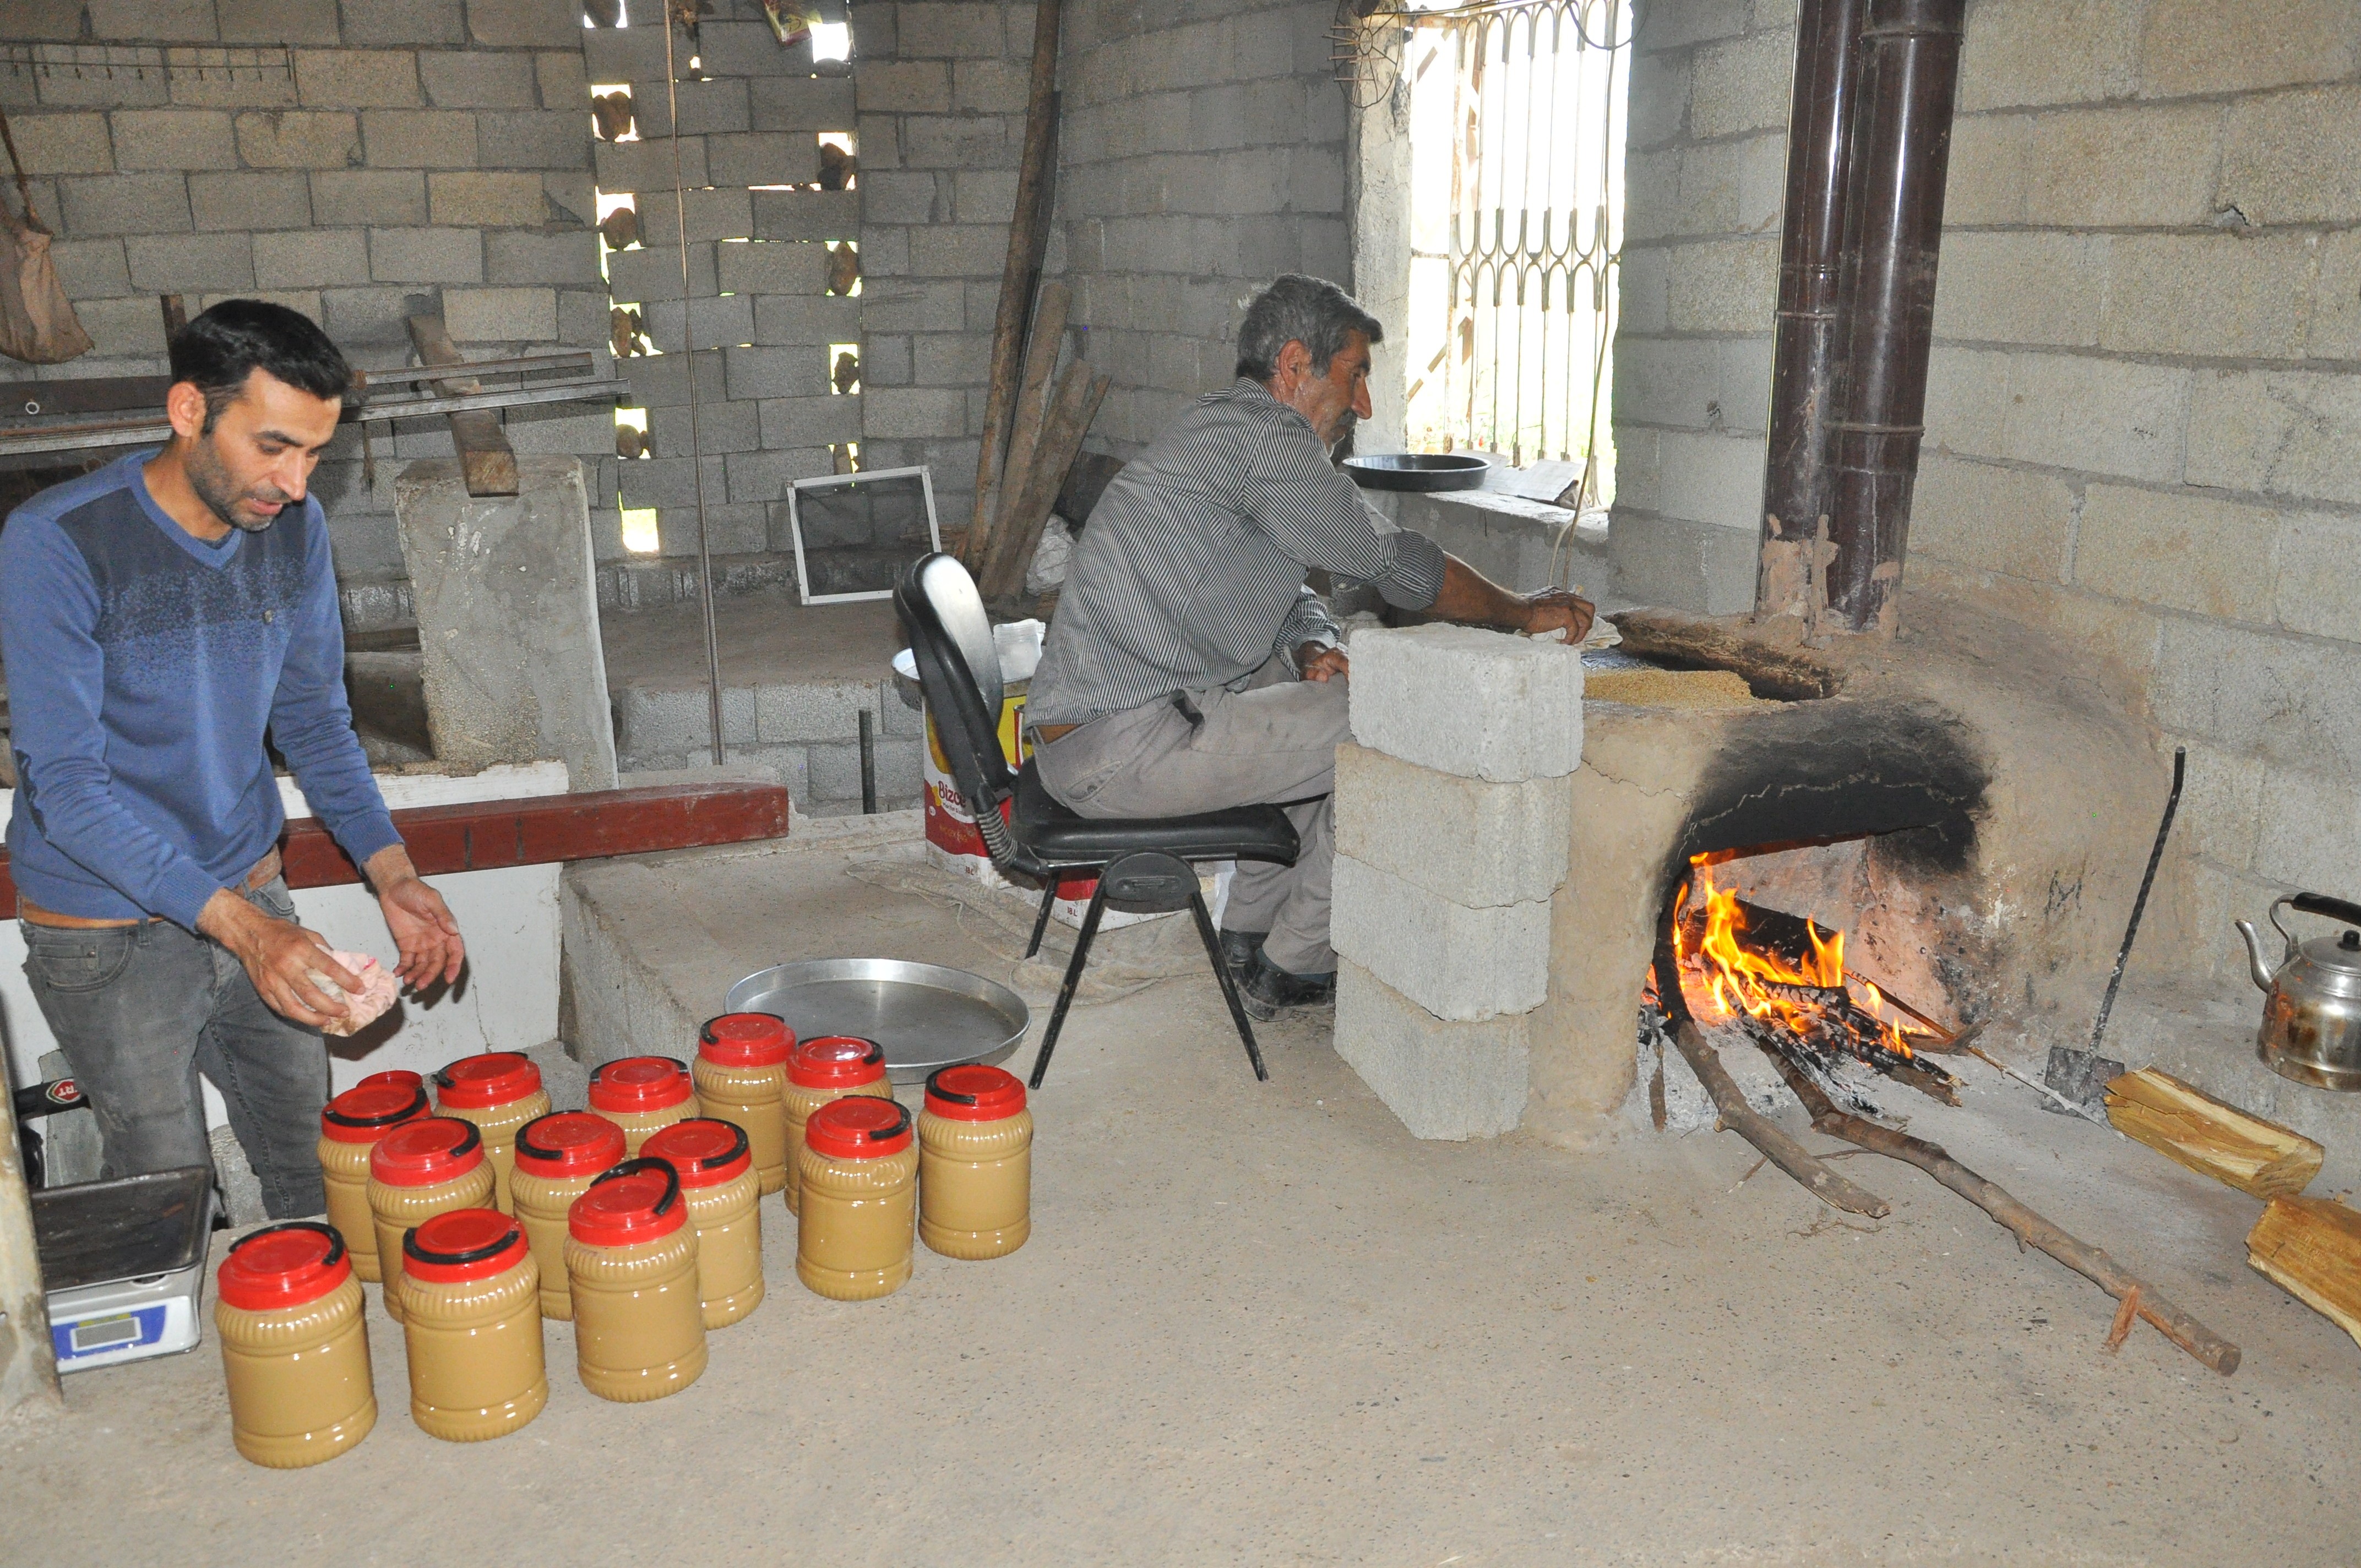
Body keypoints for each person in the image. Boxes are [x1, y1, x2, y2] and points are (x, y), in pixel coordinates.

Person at [1, 300, 465, 1218]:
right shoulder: (60, 543)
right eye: (272, 448)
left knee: (307, 1155)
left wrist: (393, 870)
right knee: (168, 1184)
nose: (295, 485)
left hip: (250, 884)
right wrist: (251, 935)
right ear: (188, 412)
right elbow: (69, 793)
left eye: (314, 456)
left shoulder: (291, 532)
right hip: (105, 926)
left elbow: (317, 720)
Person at [1024, 274, 1592, 1020]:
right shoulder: (1271, 443)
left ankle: (1250, 939)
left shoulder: (1219, 430)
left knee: (1320, 699)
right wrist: (1519, 612)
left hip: (1096, 739)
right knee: (1397, 722)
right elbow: (1397, 566)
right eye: (1355, 376)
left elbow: (1276, 582)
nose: (1364, 406)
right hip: (1123, 750)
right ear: (1296, 363)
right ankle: (1294, 962)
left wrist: (1310, 646)